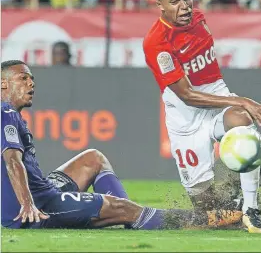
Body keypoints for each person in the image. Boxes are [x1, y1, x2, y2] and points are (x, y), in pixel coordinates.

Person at [1, 60, 242, 230]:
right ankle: (208, 219)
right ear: (3, 84)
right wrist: (27, 204)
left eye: (32, 78)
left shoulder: (11, 114)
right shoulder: (6, 112)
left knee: (93, 158)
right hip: (36, 207)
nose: (31, 83)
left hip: (41, 192)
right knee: (124, 209)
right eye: (23, 78)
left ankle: (124, 214)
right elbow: (12, 160)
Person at [143, 0, 261, 233]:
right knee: (207, 209)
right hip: (186, 117)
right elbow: (186, 94)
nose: (184, 6)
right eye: (174, 2)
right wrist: (242, 99)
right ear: (160, 5)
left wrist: (237, 104)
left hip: (216, 98)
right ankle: (235, 205)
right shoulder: (156, 43)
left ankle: (251, 209)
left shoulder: (199, 19)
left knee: (242, 122)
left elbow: (208, 76)